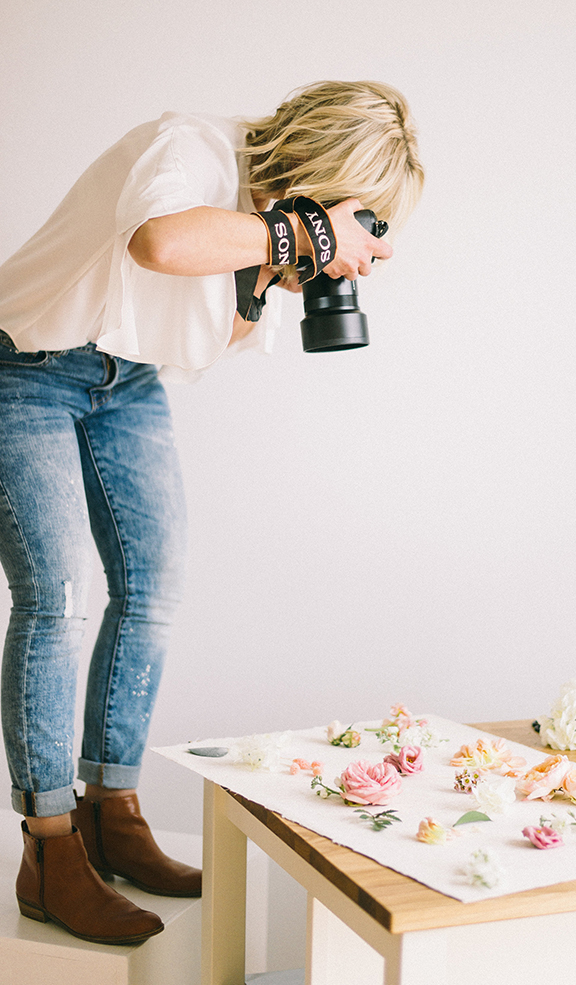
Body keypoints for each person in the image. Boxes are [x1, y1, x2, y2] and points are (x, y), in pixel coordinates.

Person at [0, 80, 424, 945]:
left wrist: (281, 269)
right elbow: (159, 241)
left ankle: (111, 813)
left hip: (128, 379)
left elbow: (218, 335)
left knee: (153, 586)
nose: (365, 245)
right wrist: (300, 232)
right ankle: (49, 852)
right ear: (329, 174)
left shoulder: (273, 224)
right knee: (56, 595)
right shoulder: (190, 145)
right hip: (24, 364)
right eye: (365, 220)